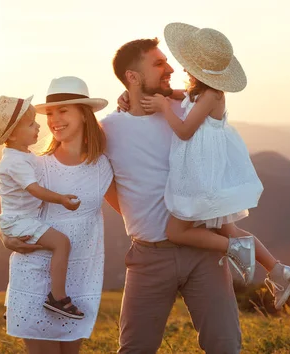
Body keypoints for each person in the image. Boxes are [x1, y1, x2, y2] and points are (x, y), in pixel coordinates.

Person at [120, 23, 290, 310]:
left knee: (179, 231)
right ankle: (279, 271)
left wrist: (165, 108)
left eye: (185, 63)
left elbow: (184, 131)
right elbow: (172, 95)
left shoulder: (211, 95)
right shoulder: (197, 92)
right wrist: (133, 96)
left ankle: (236, 251)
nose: (180, 68)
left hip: (200, 176)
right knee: (228, 227)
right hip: (203, 172)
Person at [101, 36, 242, 353]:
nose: (169, 68)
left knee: (225, 346)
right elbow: (103, 184)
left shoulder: (187, 108)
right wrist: (139, 218)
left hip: (204, 250)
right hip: (149, 256)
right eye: (158, 63)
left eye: (166, 61)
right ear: (132, 78)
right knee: (136, 348)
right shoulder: (109, 129)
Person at [0, 76, 114, 354]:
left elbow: (129, 209)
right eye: (50, 113)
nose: (54, 119)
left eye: (63, 110)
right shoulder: (37, 167)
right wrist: (2, 234)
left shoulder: (103, 166)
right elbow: (11, 208)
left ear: (84, 115)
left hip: (81, 278)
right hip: (37, 278)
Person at [0, 95, 85, 319]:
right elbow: (35, 189)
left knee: (36, 257)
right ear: (12, 134)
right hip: (19, 221)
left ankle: (16, 302)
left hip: (19, 219)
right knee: (61, 243)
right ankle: (58, 298)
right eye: (31, 124)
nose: (38, 125)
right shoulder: (15, 162)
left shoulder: (22, 156)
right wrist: (61, 199)